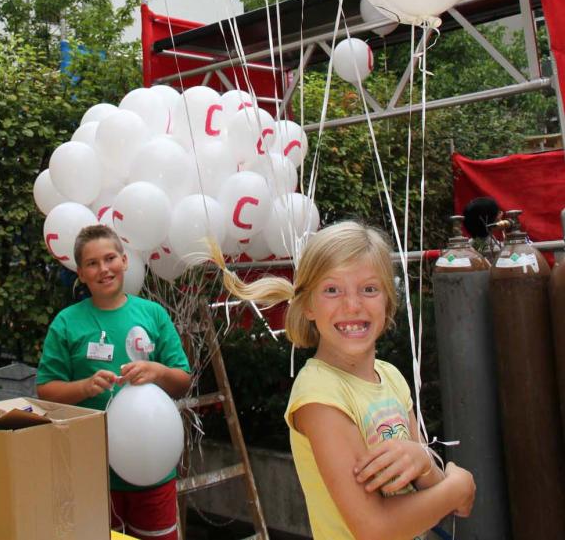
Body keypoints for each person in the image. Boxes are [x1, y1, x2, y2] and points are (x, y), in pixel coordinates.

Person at [211, 220, 475, 540]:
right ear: (308, 305)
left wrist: (423, 463)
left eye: (369, 289)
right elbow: (374, 529)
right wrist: (459, 487)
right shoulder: (318, 396)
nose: (352, 305)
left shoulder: (390, 376)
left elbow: (429, 489)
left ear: (388, 300)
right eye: (332, 290)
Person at [37, 224, 191, 540]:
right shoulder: (66, 323)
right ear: (80, 273)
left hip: (153, 471)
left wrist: (158, 372)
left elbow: (182, 381)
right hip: (91, 473)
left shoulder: (154, 314)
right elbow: (45, 390)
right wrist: (84, 387)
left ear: (125, 261)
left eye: (110, 258)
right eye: (92, 263)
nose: (103, 269)